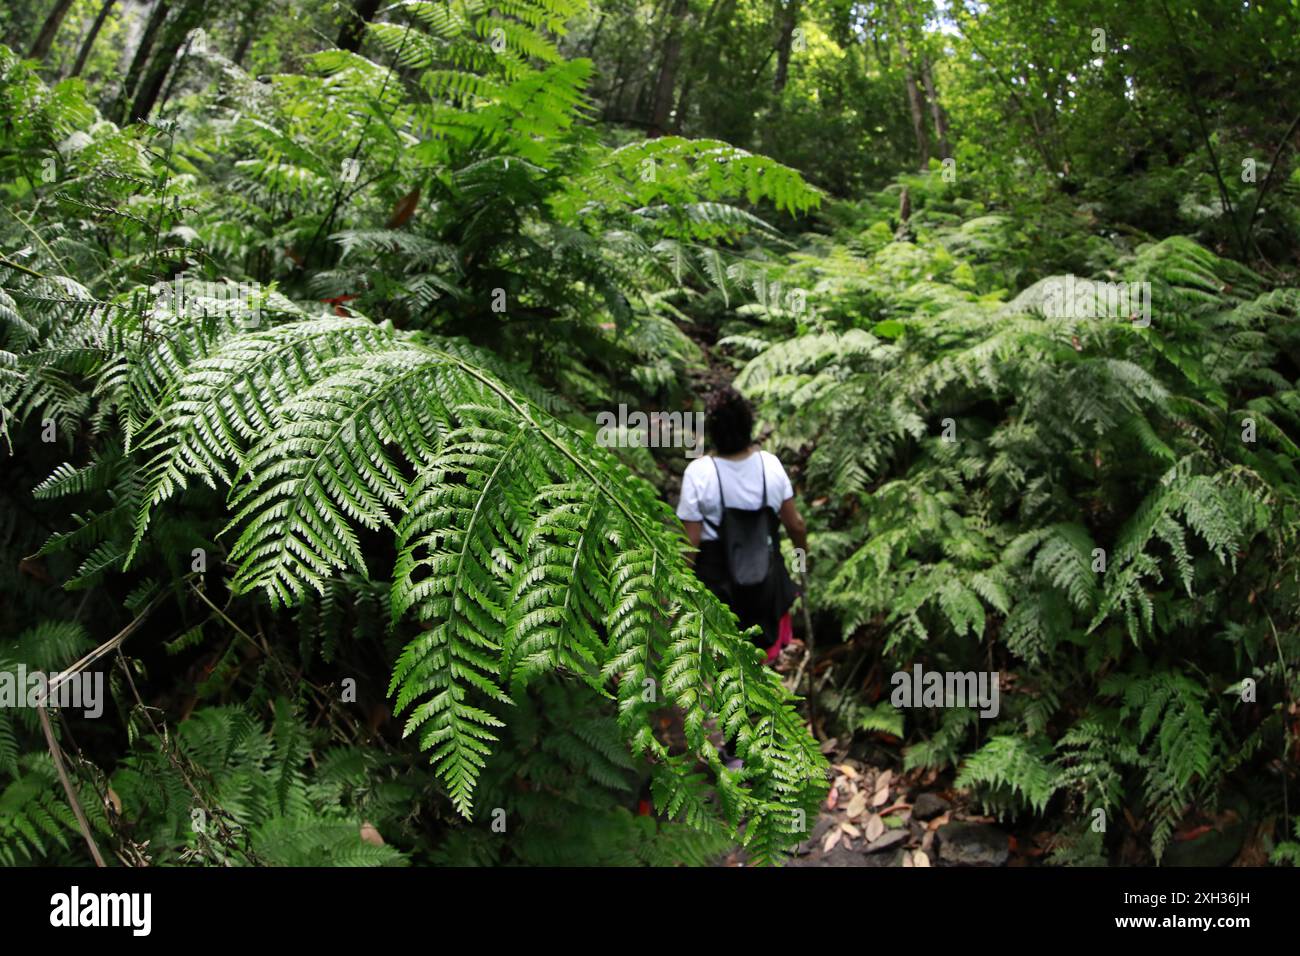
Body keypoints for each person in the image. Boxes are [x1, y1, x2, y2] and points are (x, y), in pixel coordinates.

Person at [676, 386, 808, 663]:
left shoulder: (699, 474)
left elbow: (690, 545)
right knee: (760, 666)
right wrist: (801, 565)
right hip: (766, 591)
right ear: (750, 425)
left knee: (722, 665)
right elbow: (796, 525)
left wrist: (678, 597)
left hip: (718, 593)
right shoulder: (770, 466)